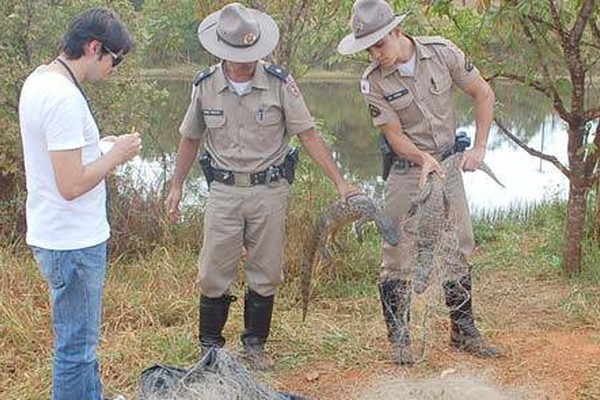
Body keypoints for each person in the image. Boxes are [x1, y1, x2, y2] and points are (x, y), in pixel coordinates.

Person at [165, 3, 359, 370]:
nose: (244, 62)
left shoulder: (279, 83)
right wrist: (176, 185)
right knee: (212, 272)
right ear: (221, 49)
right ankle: (211, 349)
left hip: (269, 191)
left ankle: (255, 346)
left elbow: (308, 134)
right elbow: (190, 138)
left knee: (266, 272)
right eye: (237, 55)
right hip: (223, 192)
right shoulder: (205, 85)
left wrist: (341, 182)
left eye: (250, 54)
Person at [337, 0, 500, 365]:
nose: (376, 54)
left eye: (380, 44)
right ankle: (399, 340)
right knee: (397, 251)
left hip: (449, 165)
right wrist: (421, 158)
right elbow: (394, 135)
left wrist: (480, 147)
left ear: (397, 31)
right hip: (406, 170)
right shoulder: (373, 81)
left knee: (459, 245)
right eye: (368, 48)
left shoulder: (441, 53)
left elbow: (483, 93)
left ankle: (464, 331)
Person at [19, 8, 141, 399]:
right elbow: (71, 184)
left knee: (81, 347)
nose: (114, 69)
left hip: (56, 233)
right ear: (94, 48)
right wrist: (117, 153)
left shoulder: (41, 80)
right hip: (72, 242)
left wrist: (99, 147)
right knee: (76, 351)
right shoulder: (63, 98)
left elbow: (60, 158)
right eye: (115, 60)